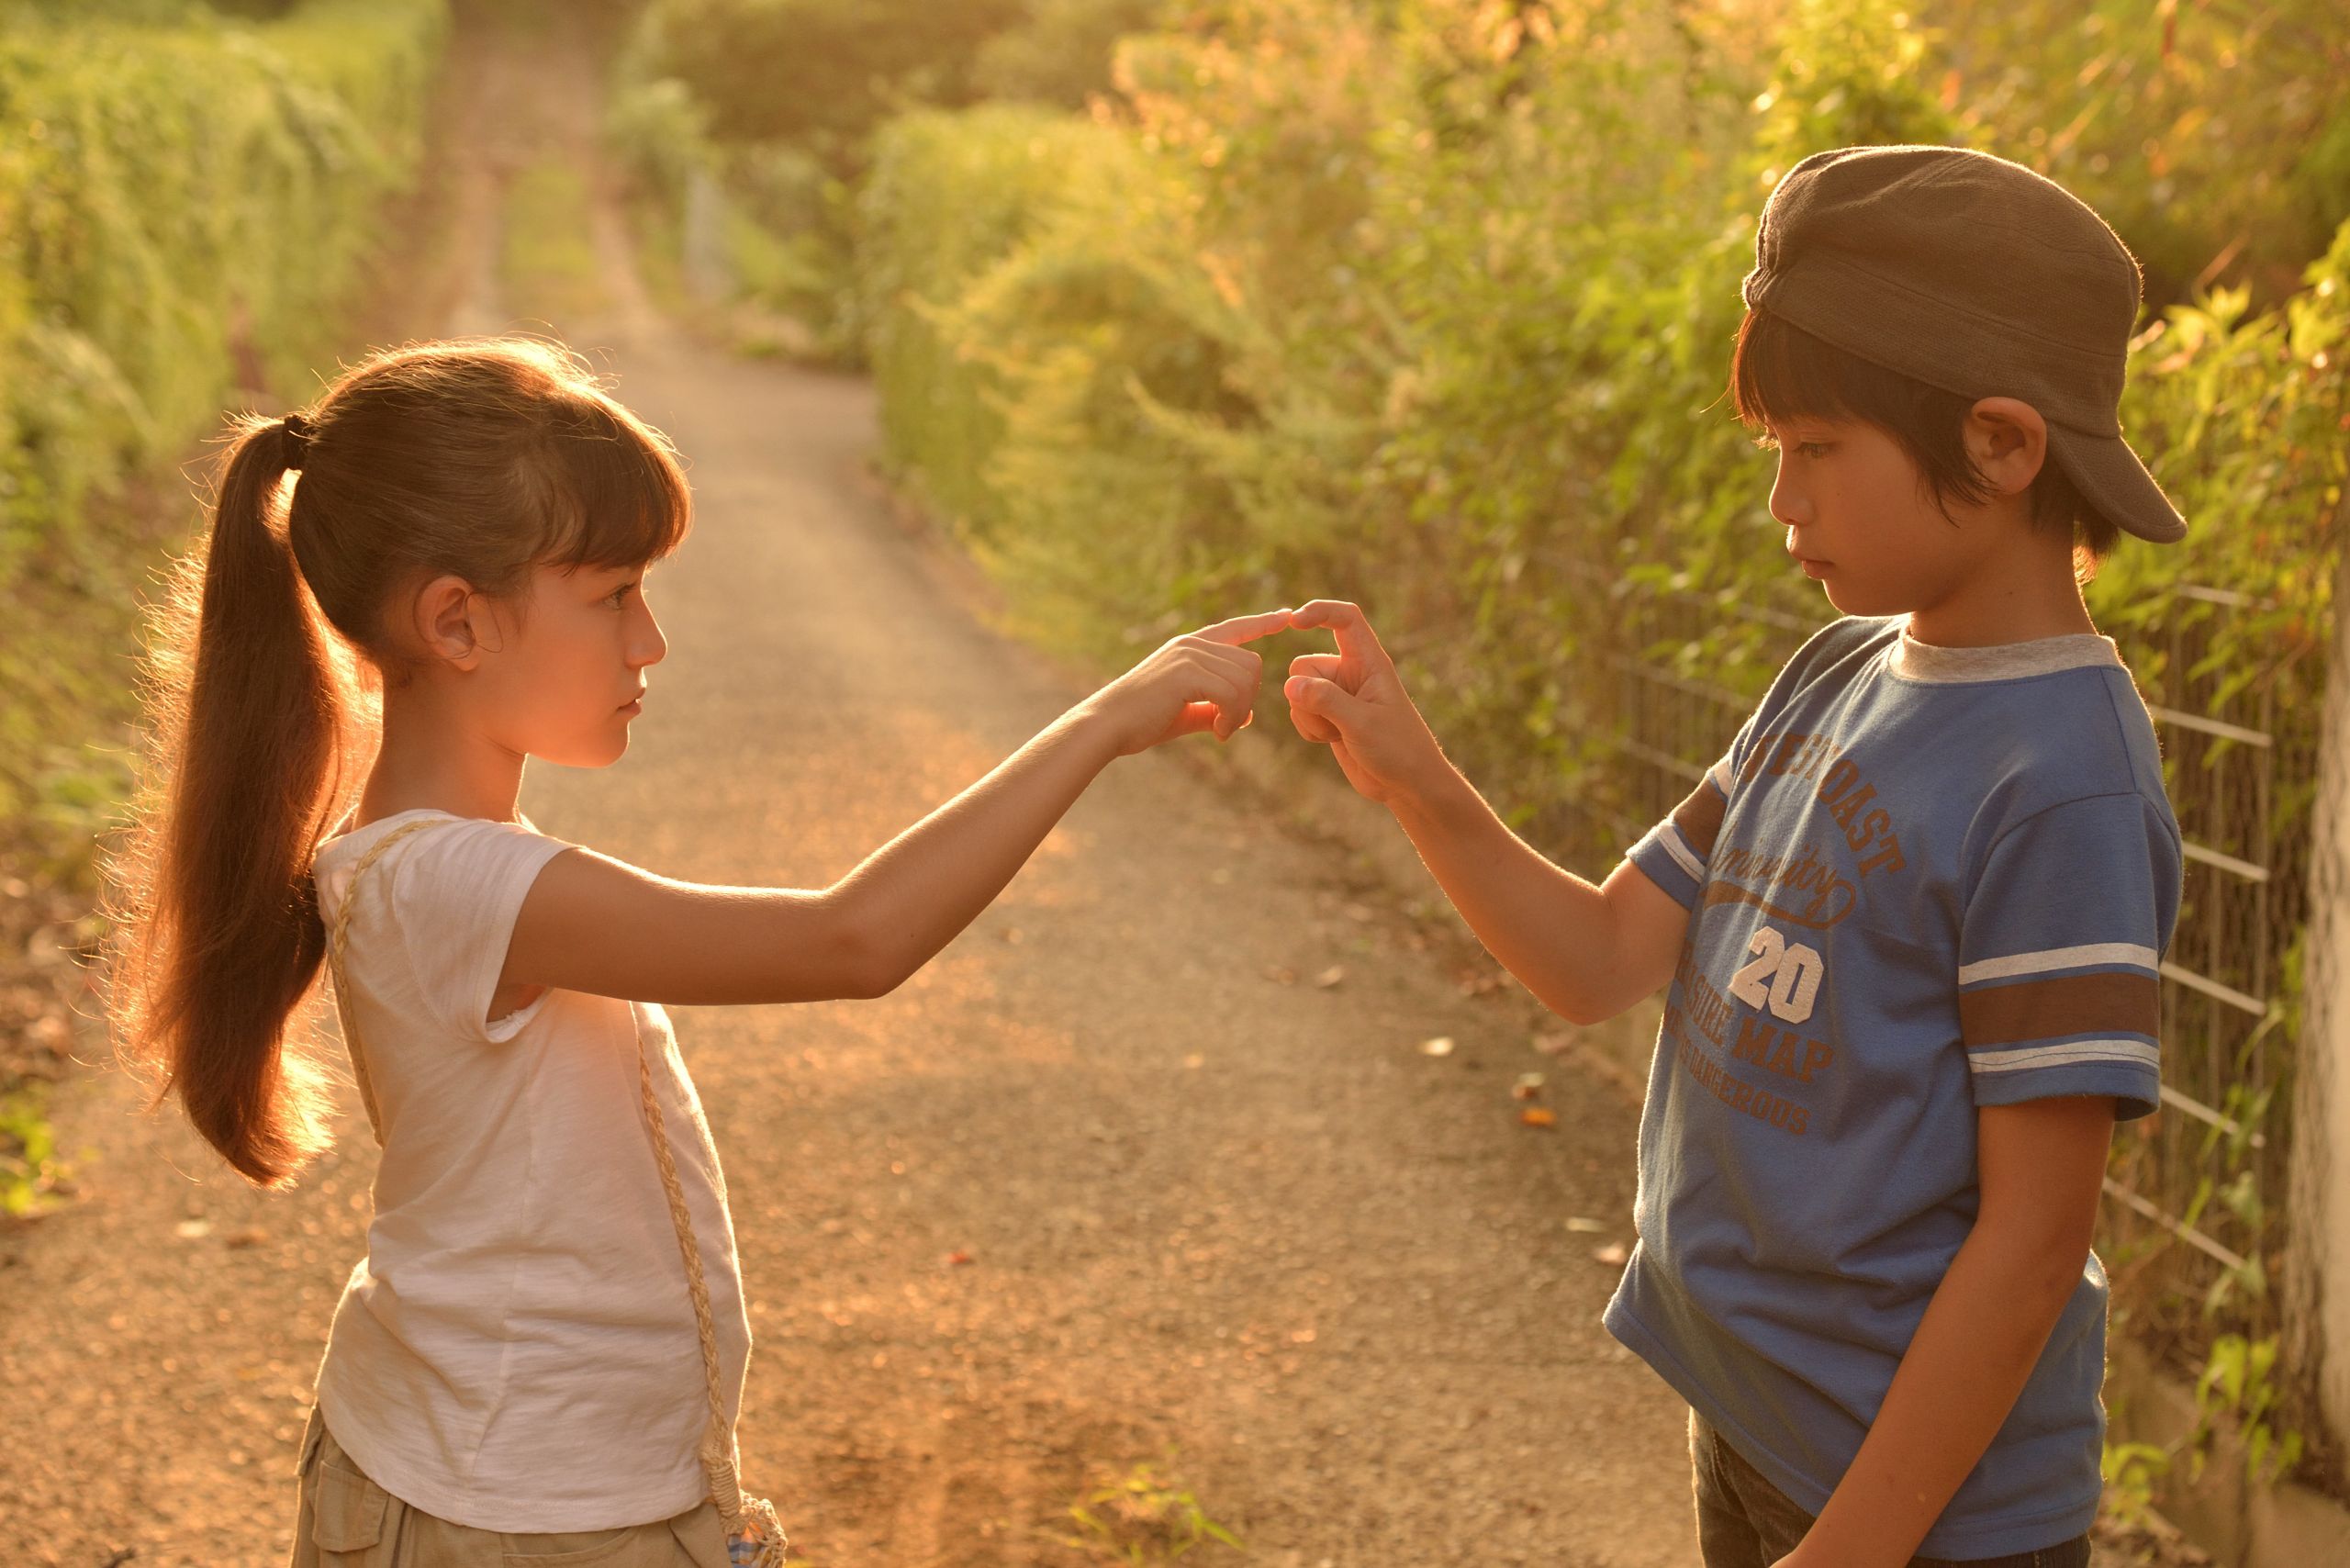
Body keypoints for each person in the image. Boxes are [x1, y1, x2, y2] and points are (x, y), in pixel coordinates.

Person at [97, 336, 1286, 1567]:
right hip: (501, 1516)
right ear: (456, 621)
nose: (650, 642)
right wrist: (1104, 719)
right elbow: (853, 939)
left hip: (520, 1490)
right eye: (614, 594)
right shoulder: (457, 884)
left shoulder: (445, 860)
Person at [1280, 143, 2187, 1567]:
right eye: (1778, 454)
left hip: (1923, 1515)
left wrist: (1854, 1549)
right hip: (1760, 1425)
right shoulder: (1831, 679)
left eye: (1817, 449)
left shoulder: (2060, 783)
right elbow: (1598, 960)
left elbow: (2029, 1248)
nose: (1785, 503)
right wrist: (1418, 782)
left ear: (2005, 448)